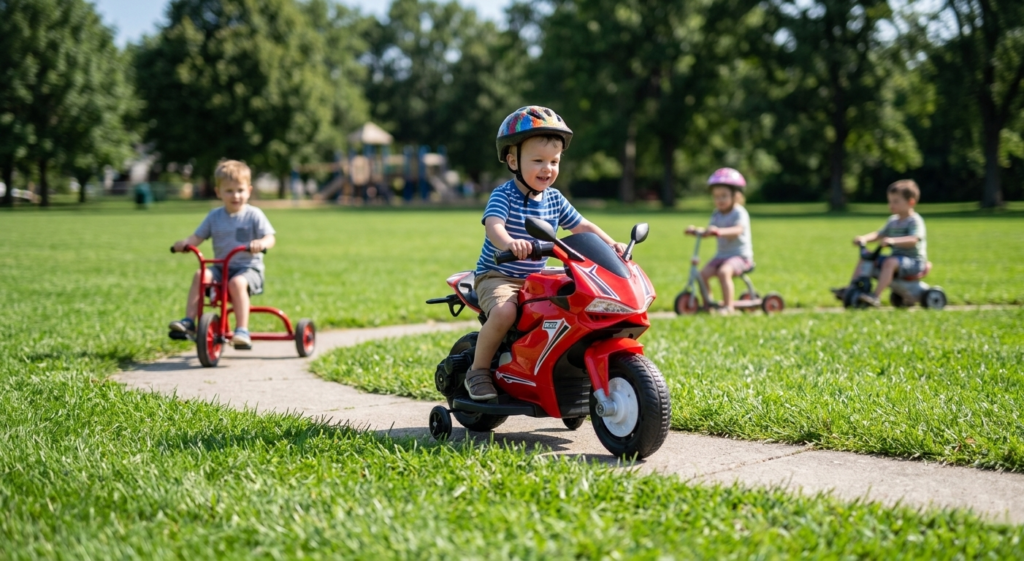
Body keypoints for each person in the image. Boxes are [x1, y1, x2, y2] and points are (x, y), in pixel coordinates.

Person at [465, 106, 627, 401]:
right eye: (537, 160)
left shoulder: (554, 198)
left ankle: (550, 372)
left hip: (535, 278)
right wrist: (510, 243)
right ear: (513, 161)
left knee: (568, 307)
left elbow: (582, 226)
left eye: (554, 161)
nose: (547, 168)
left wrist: (611, 245)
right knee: (505, 312)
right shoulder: (503, 194)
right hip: (498, 275)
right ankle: (477, 371)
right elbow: (493, 225)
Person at [169, 160, 276, 349]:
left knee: (236, 283)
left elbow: (270, 237)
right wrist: (184, 244)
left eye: (240, 190)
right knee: (200, 275)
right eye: (229, 191)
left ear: (249, 191)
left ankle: (242, 330)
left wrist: (261, 243)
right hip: (221, 268)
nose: (235, 195)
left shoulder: (254, 215)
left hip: (248, 269)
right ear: (218, 192)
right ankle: (188, 322)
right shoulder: (214, 216)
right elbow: (197, 237)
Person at [836, 179, 927, 307]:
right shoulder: (893, 221)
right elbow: (879, 235)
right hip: (897, 260)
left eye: (896, 201)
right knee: (866, 257)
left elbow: (914, 239)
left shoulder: (914, 221)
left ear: (911, 202)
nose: (891, 205)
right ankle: (852, 288)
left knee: (890, 262)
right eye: (890, 201)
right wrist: (864, 239)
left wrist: (893, 241)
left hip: (914, 262)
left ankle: (875, 296)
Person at [685, 168, 754, 314]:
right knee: (702, 275)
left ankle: (729, 307)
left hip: (740, 257)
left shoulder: (739, 212)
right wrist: (697, 231)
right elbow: (710, 229)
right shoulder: (717, 214)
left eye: (724, 196)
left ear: (736, 195)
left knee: (724, 272)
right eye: (716, 197)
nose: (719, 200)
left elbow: (738, 230)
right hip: (721, 256)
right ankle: (708, 304)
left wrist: (719, 231)